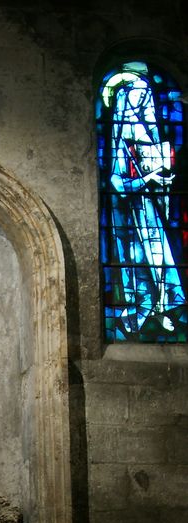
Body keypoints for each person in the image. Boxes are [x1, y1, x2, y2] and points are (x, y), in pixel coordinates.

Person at [105, 67, 186, 335]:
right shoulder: (121, 141)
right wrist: (147, 180)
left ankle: (163, 308)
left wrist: (163, 180)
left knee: (161, 259)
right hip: (130, 217)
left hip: (153, 213)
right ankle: (142, 311)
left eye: (145, 97)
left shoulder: (152, 137)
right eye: (138, 97)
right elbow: (117, 183)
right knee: (138, 262)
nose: (143, 103)